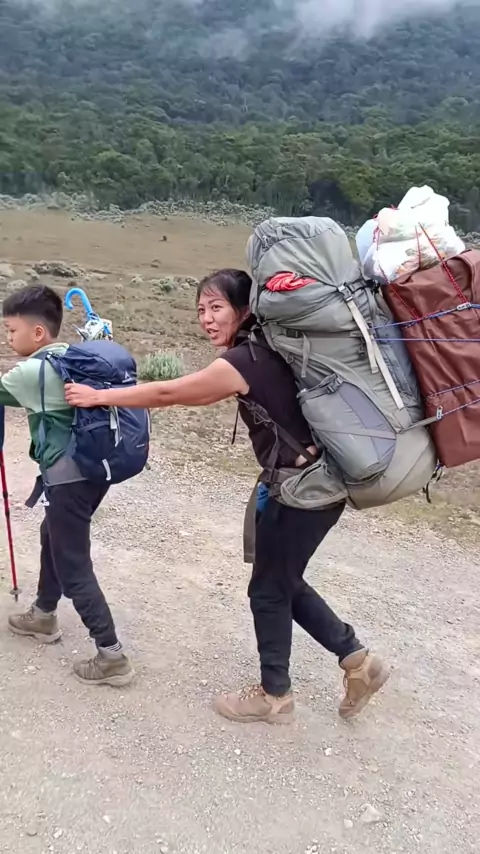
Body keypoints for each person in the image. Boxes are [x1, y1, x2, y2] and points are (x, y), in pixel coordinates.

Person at [65, 269, 389, 723]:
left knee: (269, 589)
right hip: (310, 483)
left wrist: (100, 397)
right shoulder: (268, 349)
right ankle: (357, 660)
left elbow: (171, 392)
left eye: (216, 307)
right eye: (201, 309)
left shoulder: (247, 359)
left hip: (303, 491)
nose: (206, 318)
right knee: (281, 580)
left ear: (245, 309)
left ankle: (275, 696)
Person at [1, 284, 133, 687]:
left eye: (12, 330)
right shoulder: (70, 358)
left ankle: (111, 656)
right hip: (94, 473)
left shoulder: (32, 372)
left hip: (67, 479)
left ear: (38, 332)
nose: (8, 338)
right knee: (52, 534)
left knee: (73, 563)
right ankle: (43, 614)